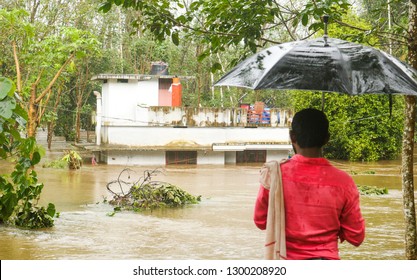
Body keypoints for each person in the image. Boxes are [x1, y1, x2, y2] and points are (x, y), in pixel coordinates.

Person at [254, 108, 365, 260]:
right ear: (326, 138)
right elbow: (356, 236)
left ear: (292, 137)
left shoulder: (274, 174)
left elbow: (261, 221)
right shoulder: (344, 182)